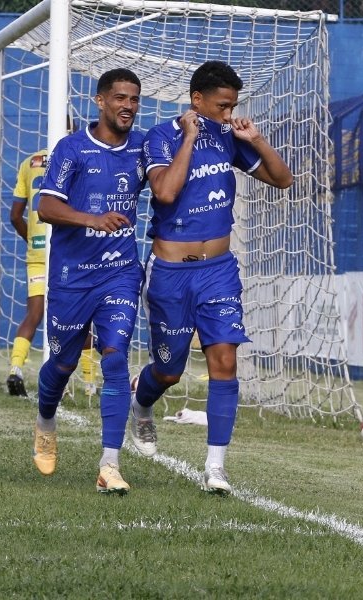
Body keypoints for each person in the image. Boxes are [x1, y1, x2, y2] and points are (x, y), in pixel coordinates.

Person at [133, 60, 293, 495]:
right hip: (170, 273)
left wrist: (254, 138)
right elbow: (165, 192)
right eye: (222, 106)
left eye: (233, 106)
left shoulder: (230, 138)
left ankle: (216, 468)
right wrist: (190, 137)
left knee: (224, 359)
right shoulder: (160, 137)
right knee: (169, 371)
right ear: (196, 100)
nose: (228, 114)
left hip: (218, 272)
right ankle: (142, 405)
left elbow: (284, 180)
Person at [32, 68, 146, 495]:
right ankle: (45, 421)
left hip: (119, 274)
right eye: (120, 98)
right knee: (62, 364)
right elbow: (45, 207)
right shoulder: (72, 148)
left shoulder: (142, 147)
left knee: (115, 357)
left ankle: (109, 465)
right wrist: (91, 219)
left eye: (134, 99)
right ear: (100, 101)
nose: (128, 106)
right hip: (71, 277)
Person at [7, 143, 98, 399]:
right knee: (80, 317)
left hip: (37, 253)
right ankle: (90, 383)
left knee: (34, 314)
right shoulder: (78, 156)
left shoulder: (29, 162)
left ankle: (16, 368)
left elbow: (15, 215)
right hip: (68, 249)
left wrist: (33, 242)